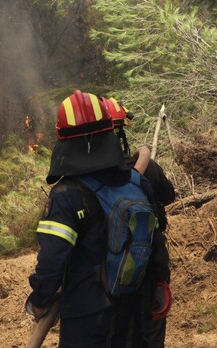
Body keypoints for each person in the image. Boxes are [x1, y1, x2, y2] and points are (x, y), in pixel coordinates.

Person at [26, 90, 170, 347]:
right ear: (108, 133)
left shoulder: (66, 195)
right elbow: (155, 241)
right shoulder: (136, 182)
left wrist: (39, 300)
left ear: (63, 140)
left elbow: (52, 259)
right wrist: (161, 283)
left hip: (88, 316)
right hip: (135, 308)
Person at [101, 96, 175, 348]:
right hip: (150, 272)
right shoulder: (147, 168)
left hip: (104, 282)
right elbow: (169, 195)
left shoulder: (87, 182)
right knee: (150, 336)